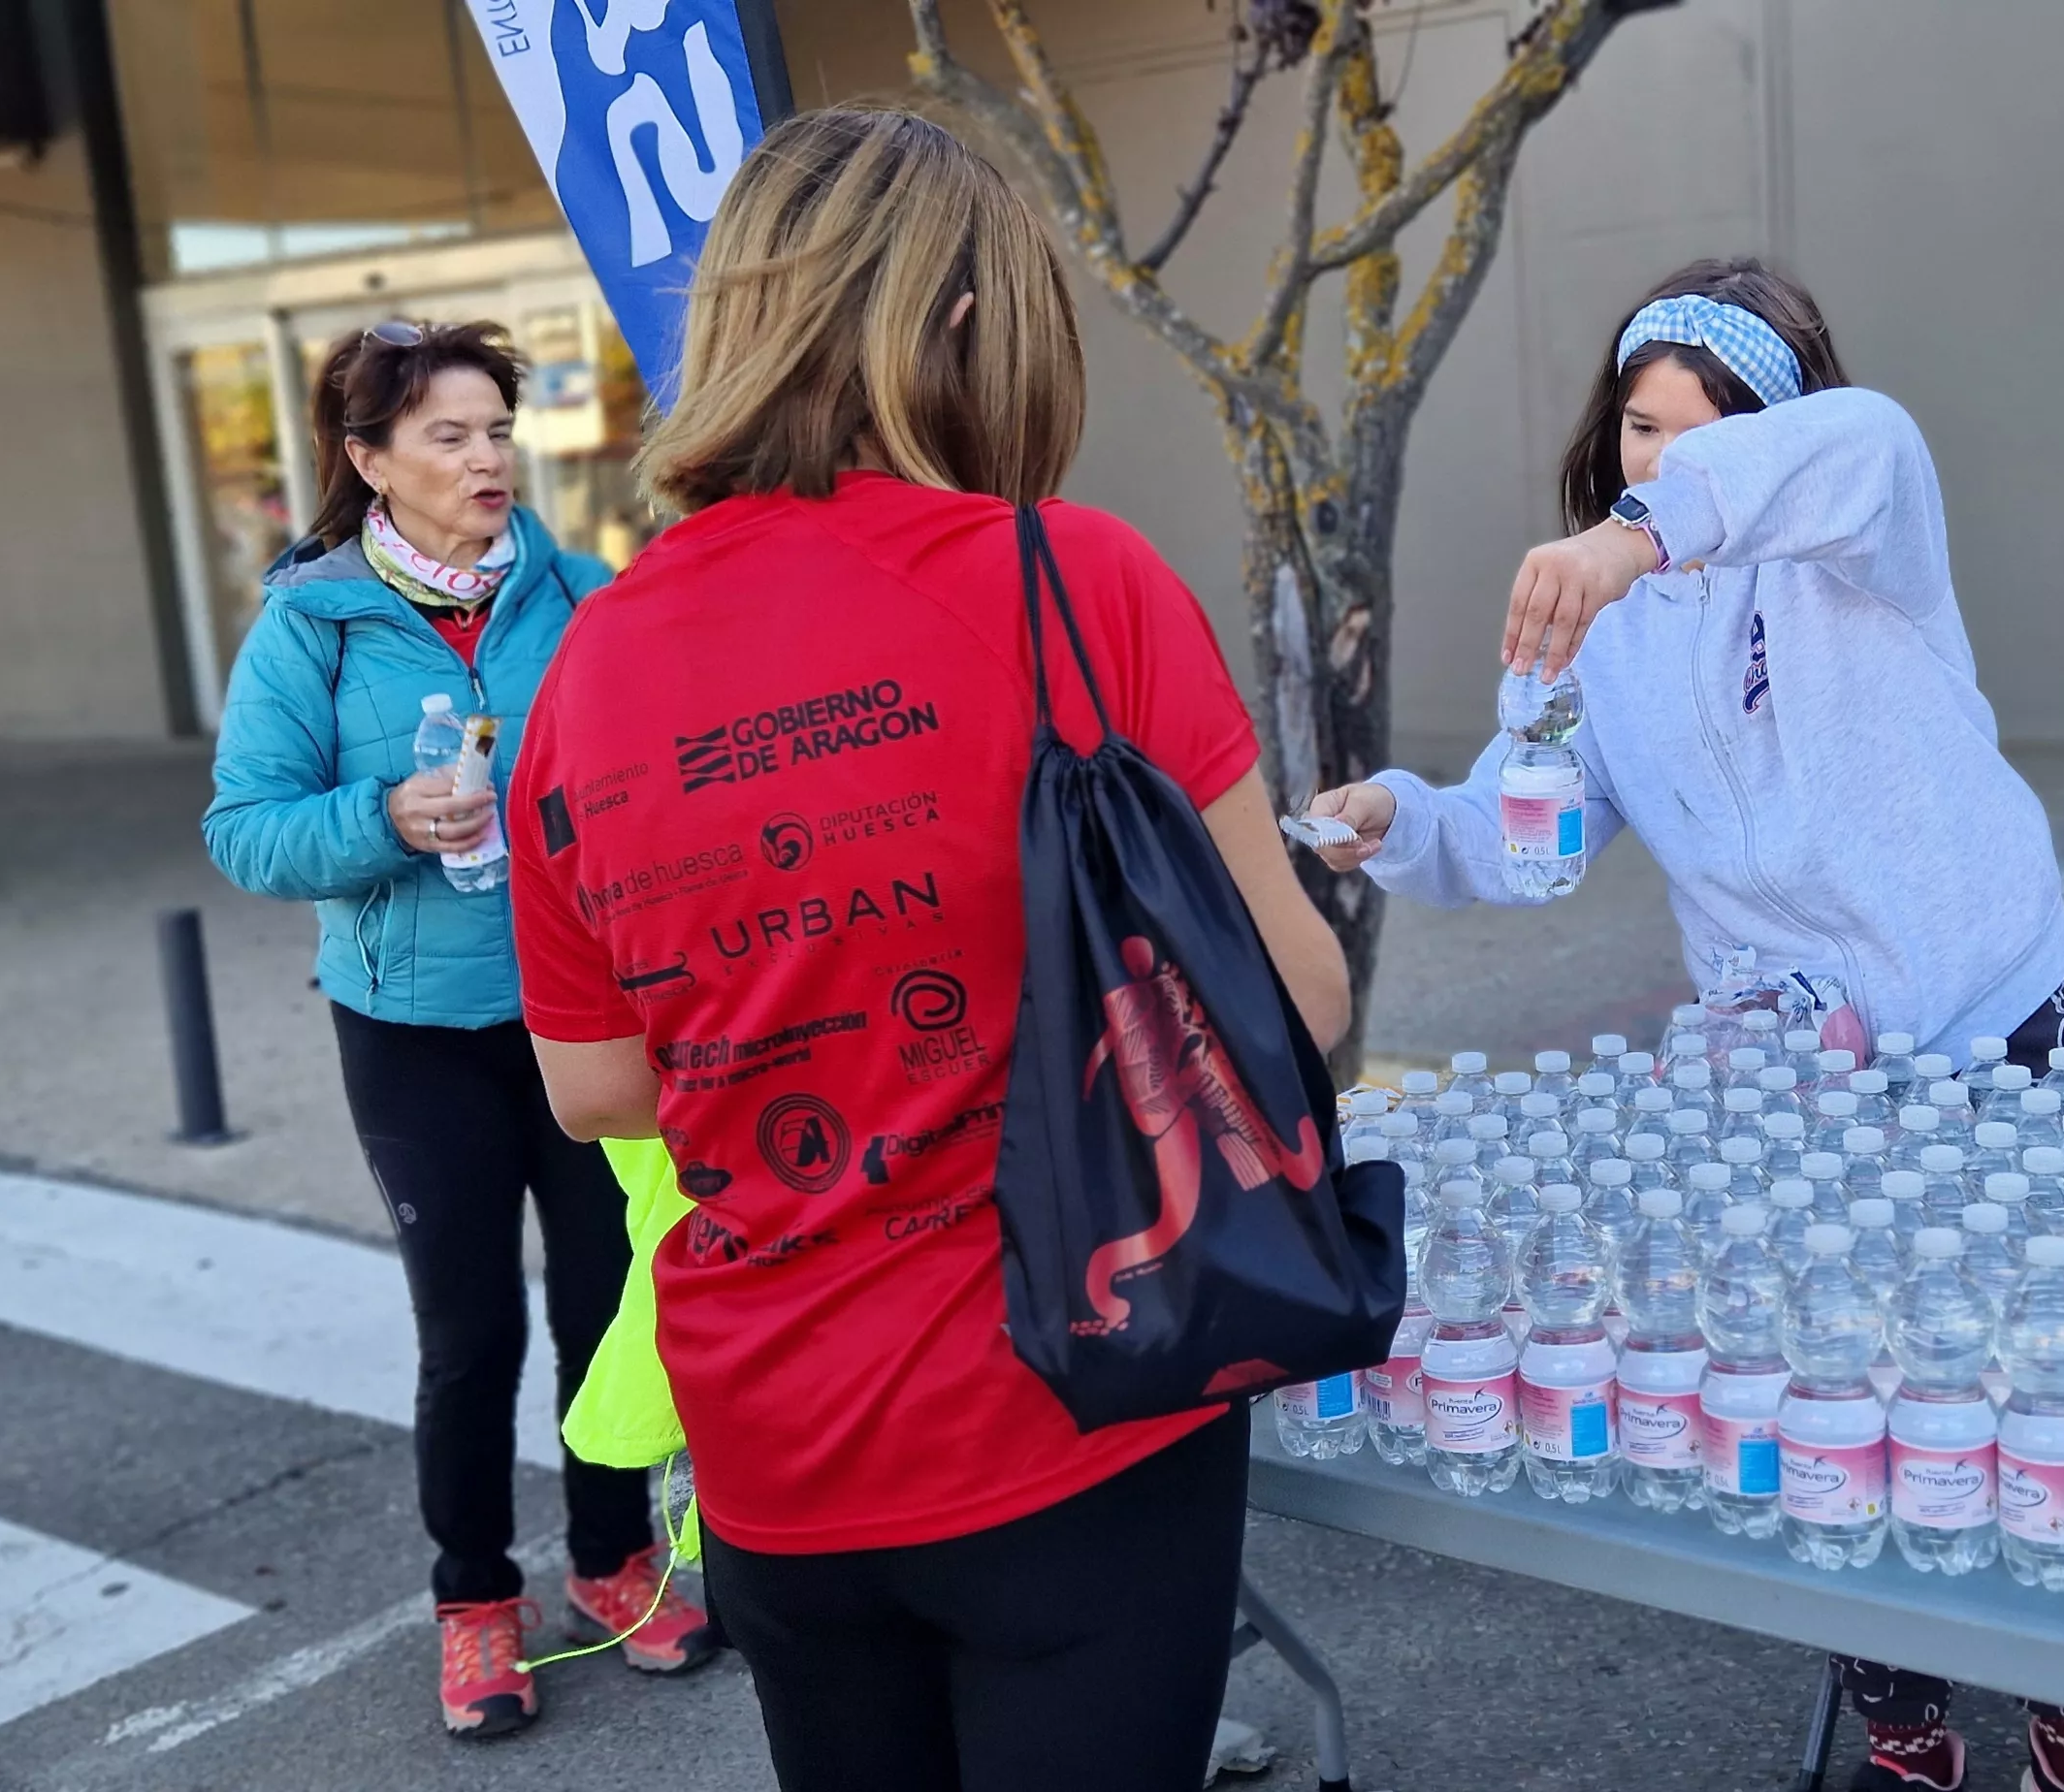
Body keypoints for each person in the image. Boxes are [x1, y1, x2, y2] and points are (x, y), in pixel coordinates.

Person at [505, 106, 1352, 1792]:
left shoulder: (588, 664)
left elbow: (595, 1088)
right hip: (1078, 1405)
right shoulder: (1075, 583)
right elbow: (1301, 1002)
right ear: (963, 321)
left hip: (768, 1452)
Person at [1303, 262, 2064, 1792]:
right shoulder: (1602, 631)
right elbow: (1539, 838)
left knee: (2027, 1389)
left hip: (1990, 1019)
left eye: (1699, 434)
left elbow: (1867, 439)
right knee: (1841, 1389)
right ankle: (1906, 1739)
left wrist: (1635, 535)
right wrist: (1402, 819)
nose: (1657, 461)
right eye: (1638, 428)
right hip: (1798, 1075)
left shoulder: (1860, 541)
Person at [204, 318, 711, 1740]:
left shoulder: (584, 596)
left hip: (588, 1018)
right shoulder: (310, 624)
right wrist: (383, 818)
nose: (488, 457)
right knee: (470, 1329)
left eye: (500, 429)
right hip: (416, 1030)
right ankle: (474, 1603)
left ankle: (614, 1563)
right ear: (369, 461)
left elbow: (665, 768)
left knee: (613, 1304)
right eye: (450, 434)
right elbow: (243, 833)